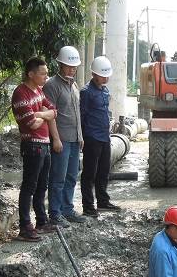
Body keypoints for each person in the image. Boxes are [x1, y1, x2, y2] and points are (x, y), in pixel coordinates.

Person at [11, 57, 58, 241]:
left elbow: (54, 110)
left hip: (44, 144)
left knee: (41, 186)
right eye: (43, 73)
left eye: (47, 73)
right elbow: (31, 123)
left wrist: (40, 114)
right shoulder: (21, 94)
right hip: (32, 145)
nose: (46, 76)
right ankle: (24, 226)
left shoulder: (39, 91)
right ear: (31, 74)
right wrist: (43, 115)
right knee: (29, 186)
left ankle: (41, 221)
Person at [43, 46, 85, 228]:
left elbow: (77, 113)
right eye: (68, 66)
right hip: (61, 139)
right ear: (60, 64)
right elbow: (49, 113)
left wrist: (81, 136)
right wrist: (56, 139)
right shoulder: (52, 85)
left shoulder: (74, 85)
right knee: (57, 177)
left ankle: (67, 209)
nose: (71, 69)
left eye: (74, 66)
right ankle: (55, 213)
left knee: (71, 176)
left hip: (75, 139)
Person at [80, 56, 120, 217]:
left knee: (104, 170)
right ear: (94, 74)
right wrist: (81, 137)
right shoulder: (86, 92)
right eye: (103, 75)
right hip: (91, 137)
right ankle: (88, 206)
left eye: (107, 75)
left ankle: (102, 201)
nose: (106, 78)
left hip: (104, 136)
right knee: (90, 172)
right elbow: (82, 116)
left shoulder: (105, 90)